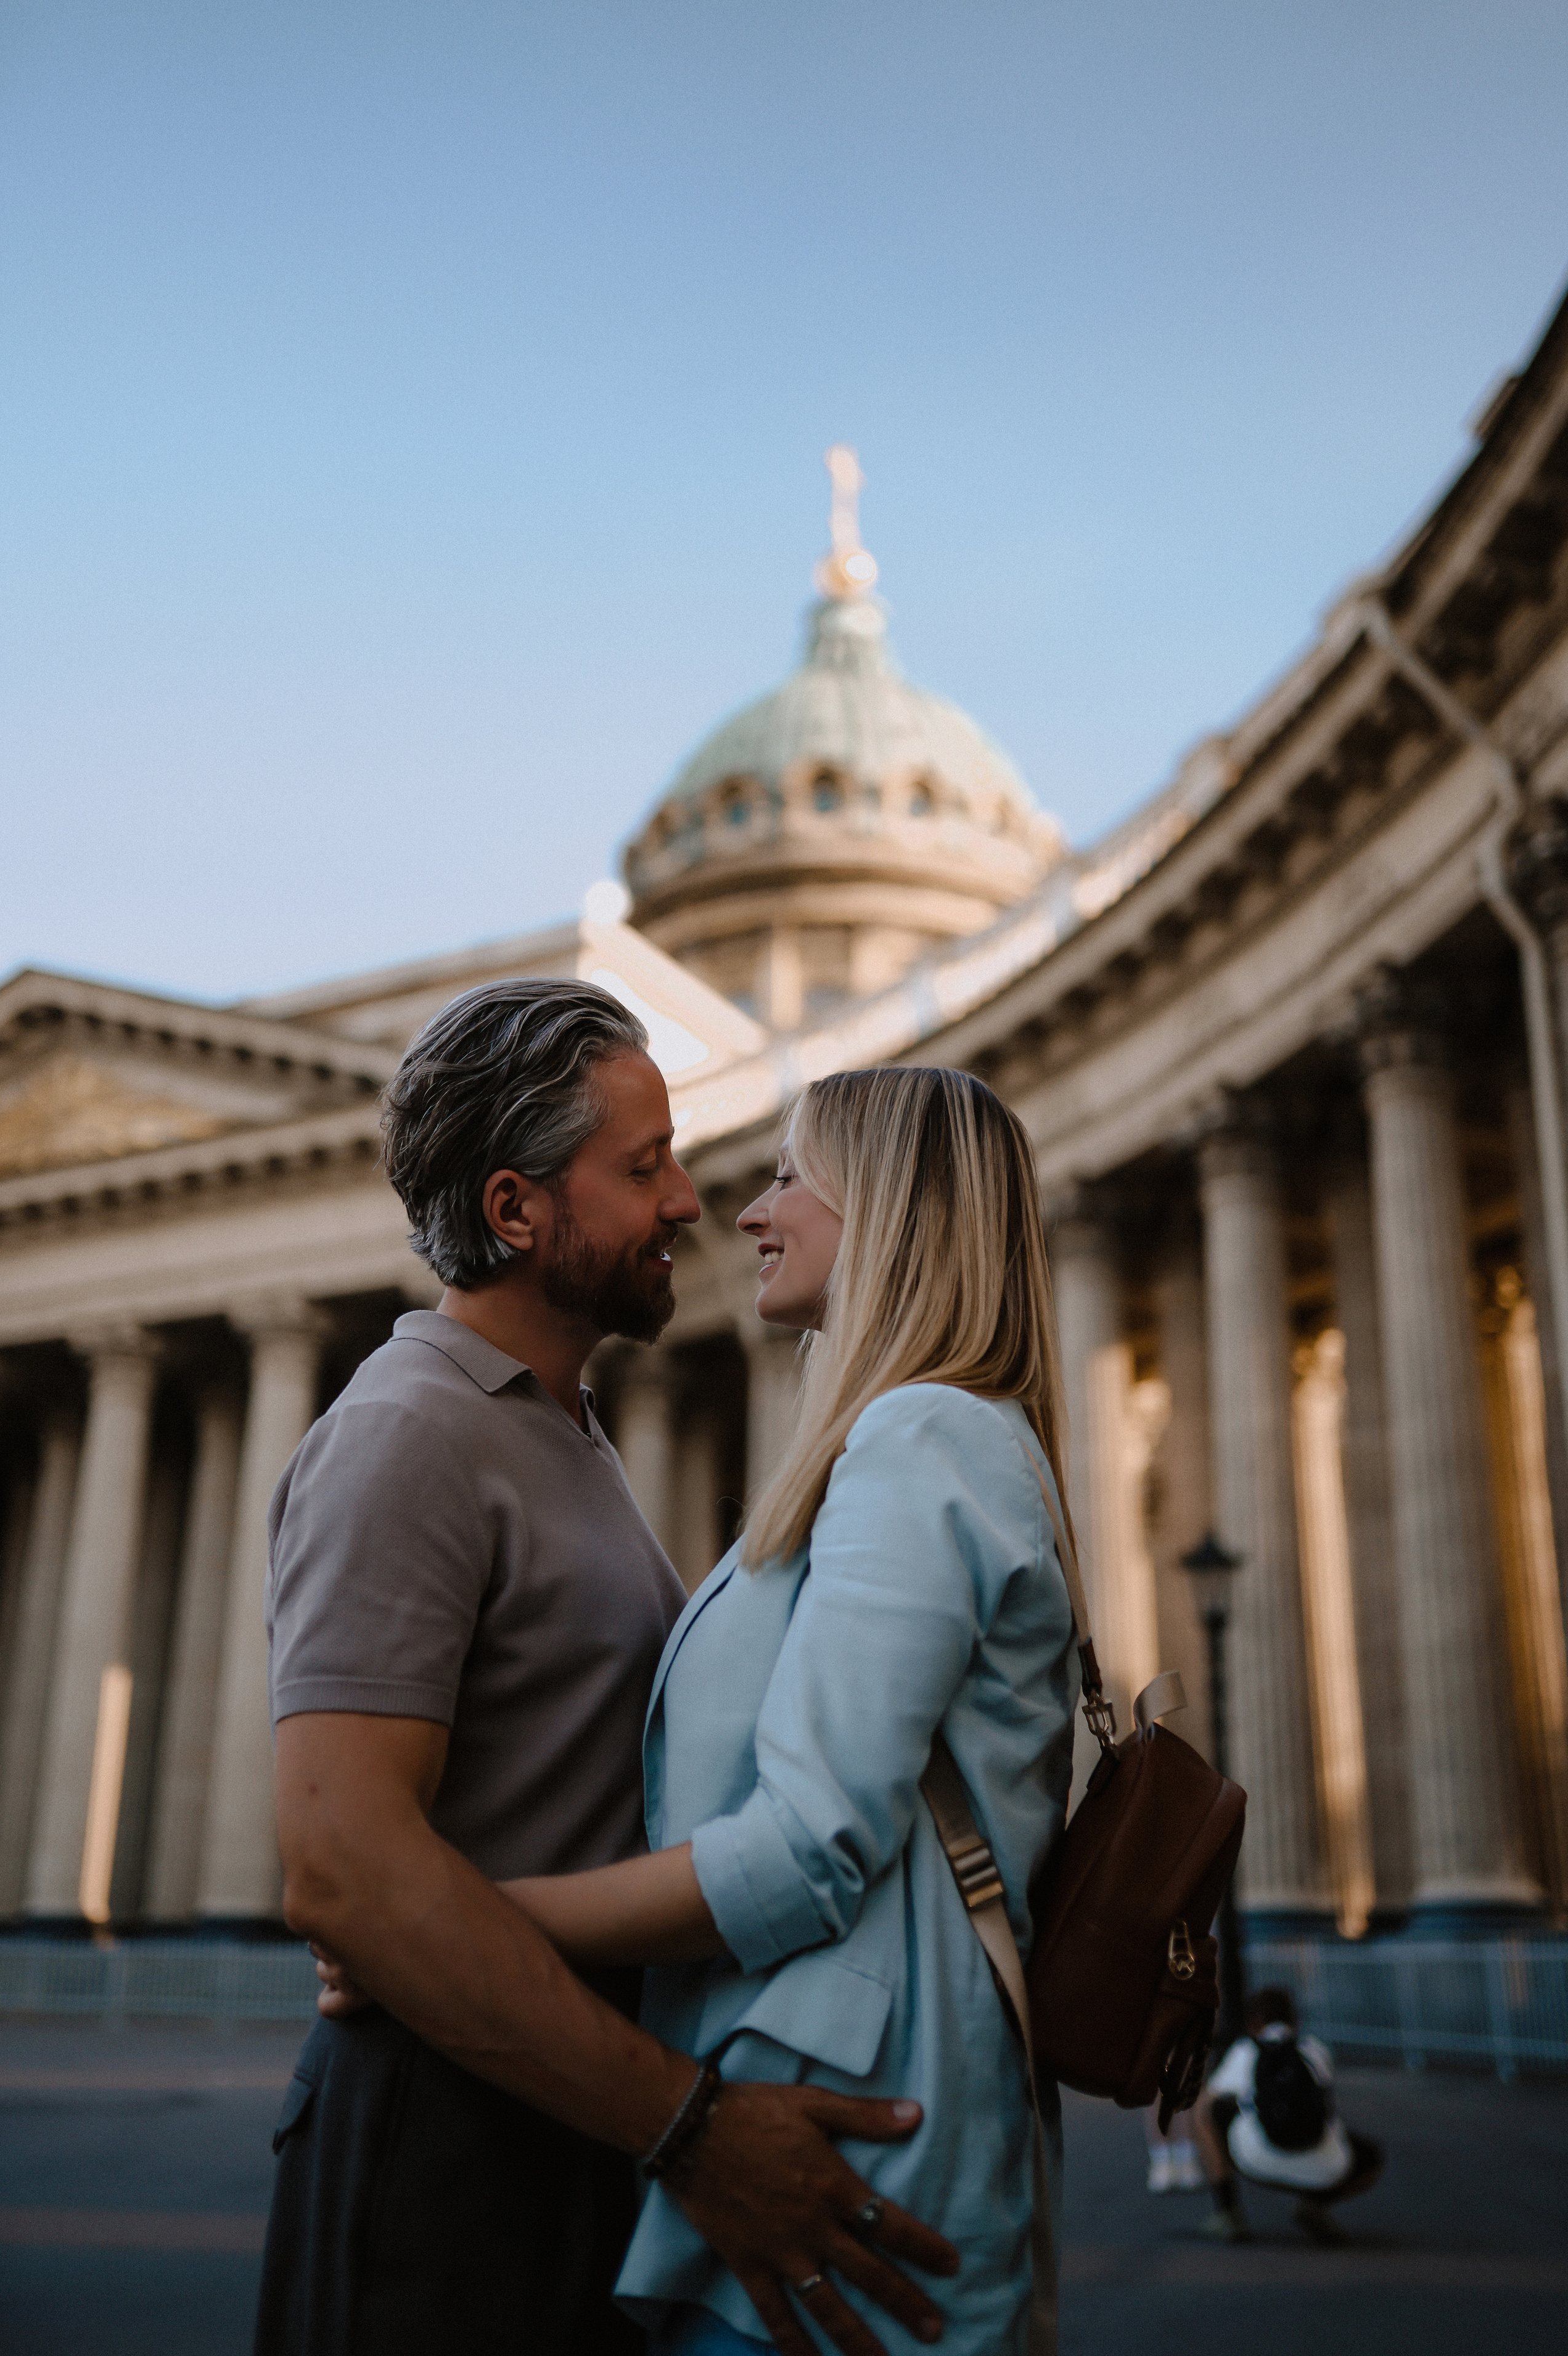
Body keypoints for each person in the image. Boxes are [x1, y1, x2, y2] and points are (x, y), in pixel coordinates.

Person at [257, 980, 959, 2356]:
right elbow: (343, 1865)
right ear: (517, 1210)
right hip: (444, 2155)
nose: (689, 1201)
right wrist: (691, 2126)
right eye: (643, 1168)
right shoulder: (408, 1431)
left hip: (558, 2117)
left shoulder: (557, 1433)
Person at [491, 1066, 1082, 2355]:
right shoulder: (932, 1435)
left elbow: (808, 1844)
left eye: (787, 1176)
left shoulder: (920, 1432)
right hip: (844, 2122)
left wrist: (470, 1929)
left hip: (849, 2140)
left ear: (884, 1204)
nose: (745, 1213)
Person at [1192, 1986, 1384, 2246]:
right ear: (1295, 2021)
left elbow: (1211, 2099)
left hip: (1256, 2160)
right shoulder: (1315, 2051)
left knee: (1203, 2110)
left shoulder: (1247, 2050)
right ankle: (1314, 2206)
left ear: (1253, 2023)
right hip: (1326, 2170)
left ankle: (1228, 2213)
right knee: (1371, 2155)